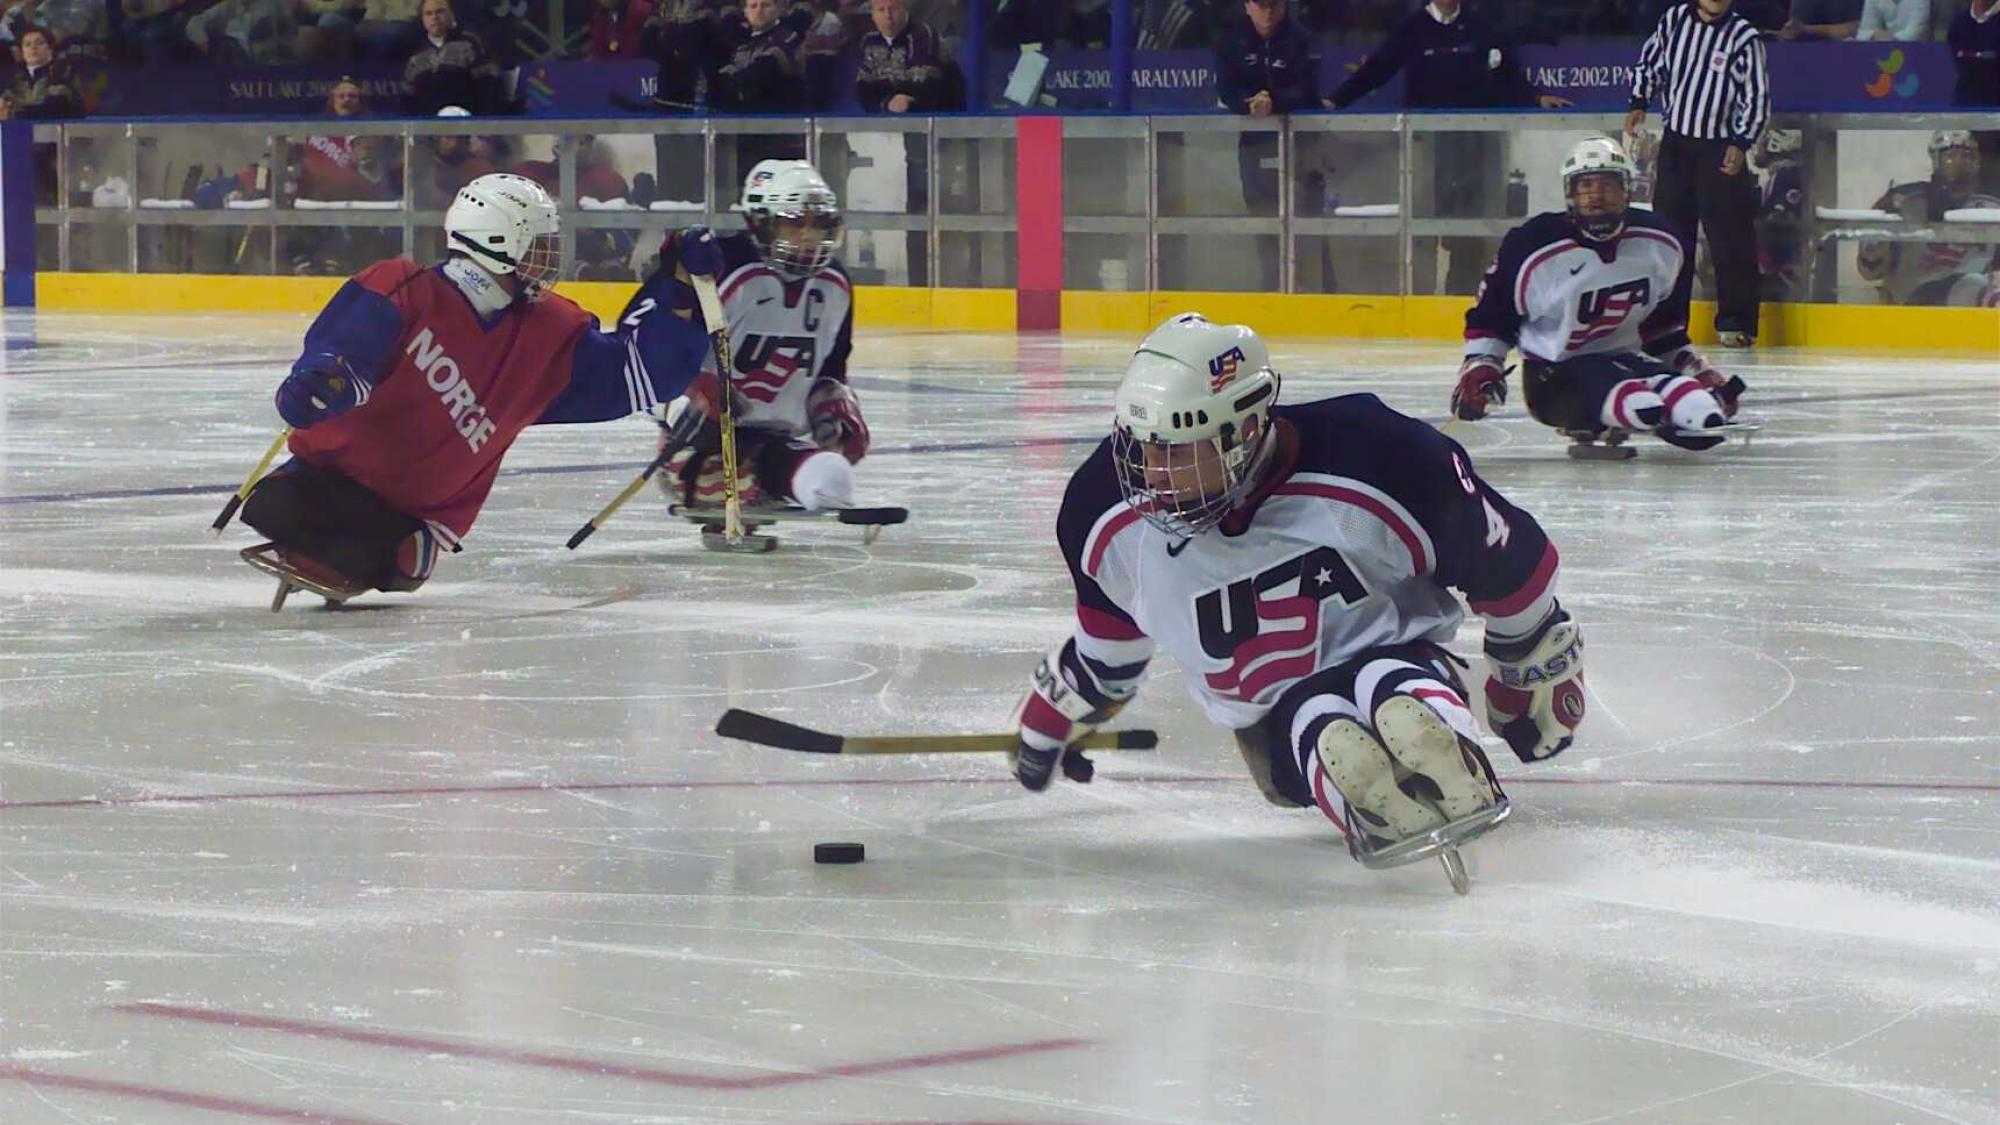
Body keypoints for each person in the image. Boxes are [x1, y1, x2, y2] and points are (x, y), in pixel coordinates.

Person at [1008, 313, 1581, 879]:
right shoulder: (1100, 511)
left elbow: (1508, 566)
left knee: (1393, 700)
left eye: (1179, 451)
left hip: (1400, 653)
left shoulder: (1378, 454)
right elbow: (1106, 649)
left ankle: (1423, 728)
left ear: (1244, 429)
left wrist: (1528, 670)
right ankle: (1376, 759)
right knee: (1328, 730)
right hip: (1272, 723)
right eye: (1143, 448)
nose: (1153, 474)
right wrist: (1051, 715)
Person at [237, 173, 715, 603]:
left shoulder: (551, 332)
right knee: (280, 505)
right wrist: (323, 383)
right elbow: (343, 355)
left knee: (383, 552)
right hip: (328, 479)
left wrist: (676, 286)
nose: (548, 258)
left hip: (412, 520)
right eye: (537, 245)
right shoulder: (405, 289)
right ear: (497, 241)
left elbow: (638, 373)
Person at [1451, 138, 1747, 453]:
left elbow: (1660, 327)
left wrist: (1697, 371)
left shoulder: (1659, 241)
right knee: (1638, 402)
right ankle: (1638, 413)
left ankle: (1673, 411)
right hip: (1554, 377)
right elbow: (1494, 316)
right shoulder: (1533, 246)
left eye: (1607, 184)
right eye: (1586, 185)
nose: (1596, 195)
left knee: (1695, 403)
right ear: (1570, 193)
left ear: (1627, 190)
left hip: (1624, 362)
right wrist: (1482, 367)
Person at [632, 159, 866, 525]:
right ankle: (737, 485)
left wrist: (834, 407)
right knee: (807, 482)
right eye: (794, 222)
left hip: (776, 440)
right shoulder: (716, 269)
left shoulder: (835, 285)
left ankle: (765, 479)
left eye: (820, 224)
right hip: (700, 447)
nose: (808, 236)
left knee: (833, 480)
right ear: (760, 222)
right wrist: (683, 402)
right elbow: (642, 358)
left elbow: (831, 369)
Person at [1326, 0, 1571, 296]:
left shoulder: (1482, 25)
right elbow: (1377, 69)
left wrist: (1536, 97)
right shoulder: (1413, 27)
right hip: (1427, 147)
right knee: (1423, 226)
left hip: (1475, 146)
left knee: (1470, 229)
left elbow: (1509, 73)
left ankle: (1463, 298)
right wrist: (1336, 100)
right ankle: (1420, 297)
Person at [1627, 0, 1770, 348]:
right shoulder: (1674, 20)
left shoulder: (1744, 37)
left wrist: (1740, 141)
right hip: (1677, 144)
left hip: (1719, 146)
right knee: (1671, 236)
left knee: (1730, 237)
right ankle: (1666, 322)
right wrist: (1639, 101)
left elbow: (1756, 96)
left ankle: (1737, 322)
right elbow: (1652, 63)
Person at [1856, 131, 2000, 307]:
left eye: (1967, 155)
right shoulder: (1903, 201)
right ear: (1935, 158)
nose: (1959, 162)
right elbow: (1871, 270)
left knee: (1973, 285)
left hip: (1973, 313)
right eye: (1951, 155)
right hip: (1908, 313)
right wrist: (1874, 248)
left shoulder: (1993, 206)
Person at [402, 0, 505, 116]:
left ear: (451, 14)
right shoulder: (415, 57)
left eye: (440, 12)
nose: (434, 17)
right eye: (428, 13)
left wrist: (483, 126)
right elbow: (408, 99)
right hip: (427, 127)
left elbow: (488, 87)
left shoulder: (471, 44)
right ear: (422, 19)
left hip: (465, 124)